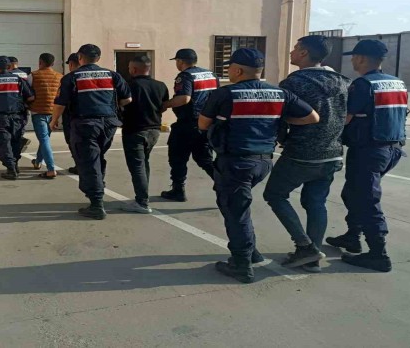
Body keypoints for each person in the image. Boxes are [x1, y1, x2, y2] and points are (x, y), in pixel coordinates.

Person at [199, 48, 319, 283]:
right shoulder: (280, 93)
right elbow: (312, 117)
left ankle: (241, 265)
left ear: (237, 70)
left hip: (236, 162)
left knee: (236, 212)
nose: (228, 71)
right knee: (237, 207)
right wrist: (277, 119)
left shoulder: (225, 94)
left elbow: (203, 124)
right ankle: (250, 251)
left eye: (229, 67)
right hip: (263, 161)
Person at [263, 35, 350, 273]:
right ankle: (312, 259)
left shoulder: (294, 83)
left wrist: (281, 138)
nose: (291, 52)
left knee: (274, 194)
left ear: (304, 53)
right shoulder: (342, 81)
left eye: (295, 48)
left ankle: (305, 246)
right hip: (332, 153)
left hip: (302, 153)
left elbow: (280, 117)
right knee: (316, 202)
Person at [326, 39, 407, 273]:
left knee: (367, 199)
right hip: (392, 148)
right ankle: (353, 236)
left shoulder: (363, 85)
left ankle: (378, 254)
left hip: (369, 150)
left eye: (354, 57)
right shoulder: (397, 83)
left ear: (361, 58)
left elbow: (345, 118)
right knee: (352, 193)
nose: (352, 60)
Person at [51, 44, 132, 220]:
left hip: (85, 124)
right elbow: (127, 98)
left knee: (88, 162)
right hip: (109, 124)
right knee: (97, 157)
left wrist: (54, 120)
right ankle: (99, 185)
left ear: (80, 57)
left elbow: (60, 103)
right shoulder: (112, 75)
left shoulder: (72, 77)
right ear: (98, 58)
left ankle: (96, 204)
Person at [161, 48, 219, 201]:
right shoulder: (211, 74)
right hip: (207, 123)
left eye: (177, 61)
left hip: (188, 123)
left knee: (177, 157)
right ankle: (225, 185)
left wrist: (165, 105)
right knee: (204, 159)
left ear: (180, 61)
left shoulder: (185, 76)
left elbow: (184, 99)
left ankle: (178, 189)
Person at [120, 55, 169, 214]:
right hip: (154, 130)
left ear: (134, 69)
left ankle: (142, 201)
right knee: (143, 163)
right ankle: (142, 197)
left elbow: (120, 104)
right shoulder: (160, 85)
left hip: (134, 130)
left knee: (137, 166)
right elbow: (163, 106)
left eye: (129, 68)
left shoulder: (128, 86)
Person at [0, 56, 35, 180]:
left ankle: (11, 169)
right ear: (9, 66)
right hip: (18, 117)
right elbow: (31, 97)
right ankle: (14, 165)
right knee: (15, 142)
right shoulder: (18, 80)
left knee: (3, 143)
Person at [27, 53, 63, 179]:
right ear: (53, 63)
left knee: (44, 140)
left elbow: (27, 93)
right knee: (45, 138)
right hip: (53, 112)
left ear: (40, 62)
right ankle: (37, 162)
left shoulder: (33, 75)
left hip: (38, 112)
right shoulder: (60, 77)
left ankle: (51, 169)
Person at [8, 56, 31, 153]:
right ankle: (20, 140)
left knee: (12, 126)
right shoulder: (25, 74)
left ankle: (19, 141)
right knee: (22, 124)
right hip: (25, 103)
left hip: (13, 104)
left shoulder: (9, 75)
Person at [62, 53, 81, 175]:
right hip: (99, 117)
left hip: (73, 117)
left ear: (72, 64)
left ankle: (80, 166)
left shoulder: (69, 78)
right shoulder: (106, 75)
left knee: (73, 142)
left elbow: (61, 102)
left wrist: (54, 120)